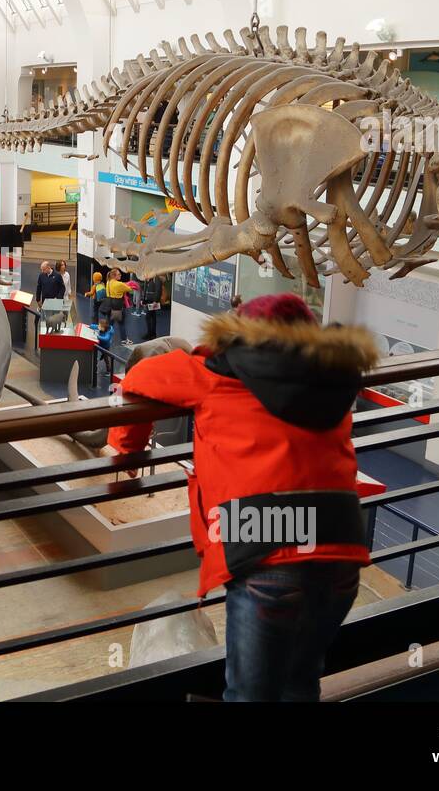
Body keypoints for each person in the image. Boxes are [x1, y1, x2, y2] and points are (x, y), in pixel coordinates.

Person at [108, 294, 378, 702]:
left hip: (264, 548)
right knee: (300, 686)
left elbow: (141, 375)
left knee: (250, 696)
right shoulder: (332, 378)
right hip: (341, 550)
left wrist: (127, 449)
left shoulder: (212, 372)